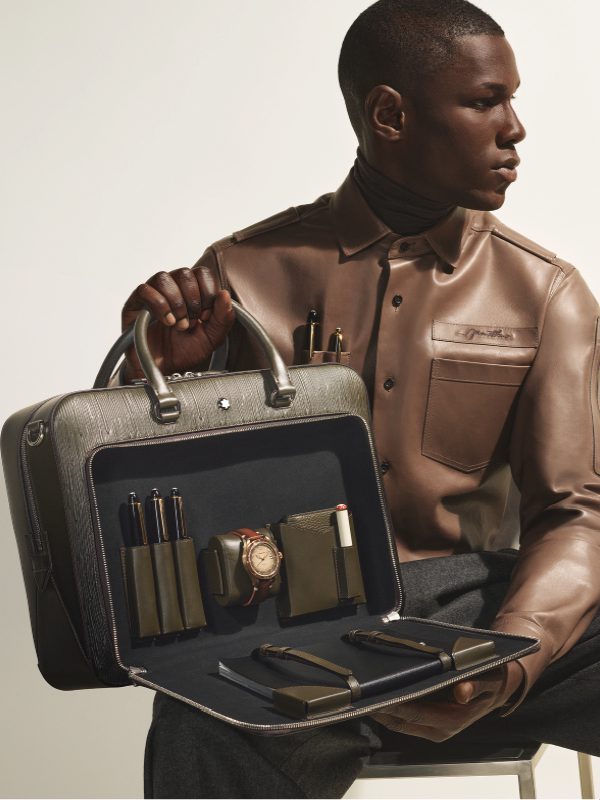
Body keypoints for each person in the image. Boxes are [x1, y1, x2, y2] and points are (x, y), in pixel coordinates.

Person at [122, 1, 600, 797]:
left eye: (512, 101)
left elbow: (574, 513)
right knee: (196, 718)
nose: (515, 129)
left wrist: (510, 659)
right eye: (485, 102)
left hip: (479, 618)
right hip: (291, 634)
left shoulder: (547, 294)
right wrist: (156, 377)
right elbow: (158, 510)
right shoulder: (240, 275)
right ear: (390, 115)